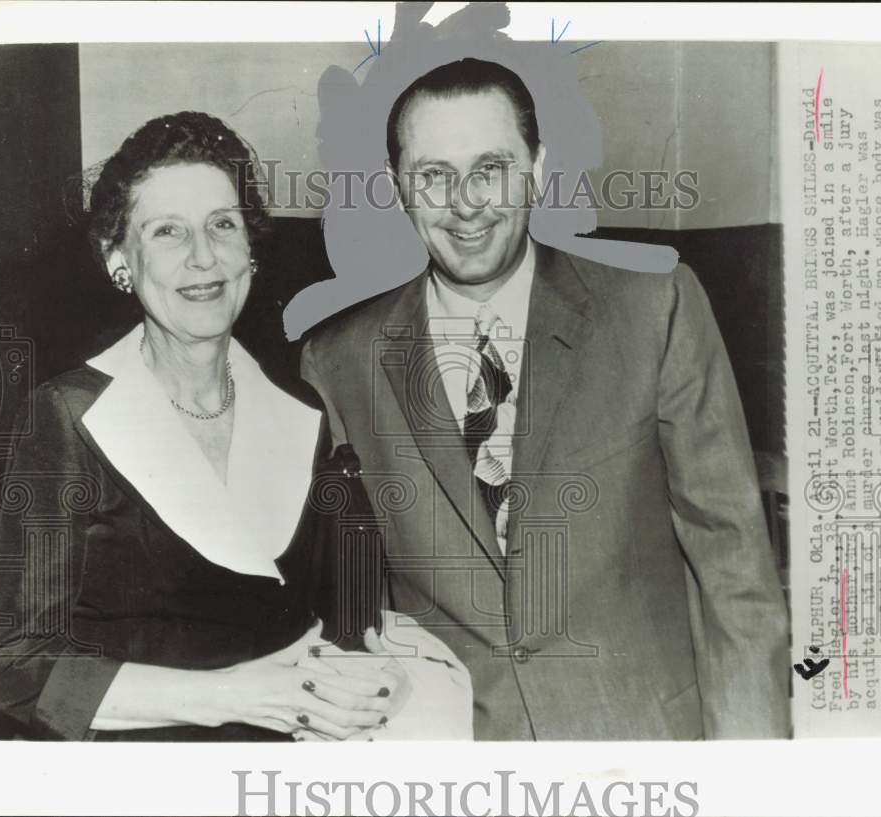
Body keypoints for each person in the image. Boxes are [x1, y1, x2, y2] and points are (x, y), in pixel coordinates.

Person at [300, 58, 790, 740]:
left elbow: (734, 568)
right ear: (395, 186)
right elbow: (355, 596)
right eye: (433, 175)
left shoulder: (656, 311)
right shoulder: (338, 360)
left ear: (537, 165)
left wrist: (751, 777)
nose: (464, 202)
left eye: (491, 167)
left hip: (642, 747)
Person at [0, 111, 472, 742]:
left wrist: (376, 672)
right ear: (119, 263)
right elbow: (16, 664)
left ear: (250, 249)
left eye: (222, 224)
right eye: (167, 232)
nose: (203, 257)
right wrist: (235, 695)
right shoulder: (67, 416)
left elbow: (348, 610)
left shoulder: (303, 408)